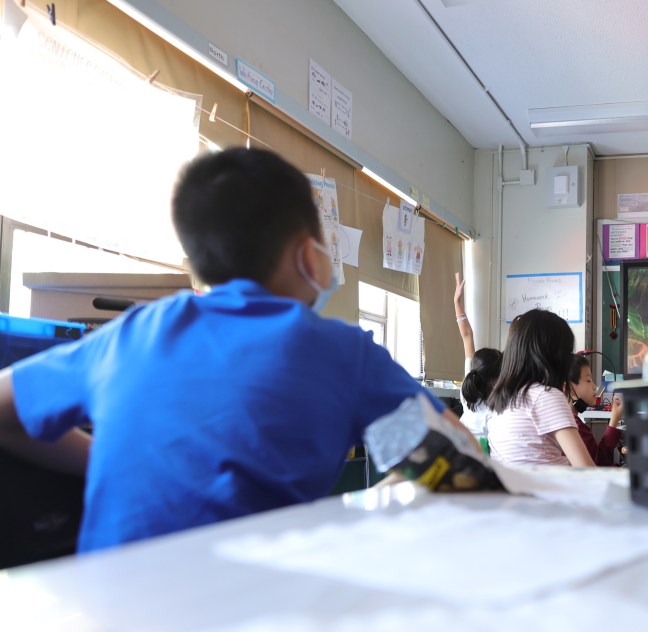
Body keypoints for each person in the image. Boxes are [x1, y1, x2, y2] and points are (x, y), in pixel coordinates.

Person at [0, 147, 470, 553]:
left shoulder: (131, 332)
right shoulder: (341, 352)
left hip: (107, 625)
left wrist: (104, 462)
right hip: (248, 622)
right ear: (310, 256)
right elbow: (455, 463)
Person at [486, 309, 595, 467]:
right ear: (555, 356)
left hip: (516, 488)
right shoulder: (545, 396)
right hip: (553, 489)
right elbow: (586, 469)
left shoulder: (501, 399)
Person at [454, 272, 500, 441]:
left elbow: (467, 335)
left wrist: (456, 302)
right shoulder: (498, 407)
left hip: (458, 447)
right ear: (496, 377)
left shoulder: (470, 381)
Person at [568, 353, 623, 467]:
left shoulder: (573, 421)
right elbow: (600, 463)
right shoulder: (575, 426)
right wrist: (613, 422)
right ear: (571, 390)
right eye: (588, 380)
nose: (594, 386)